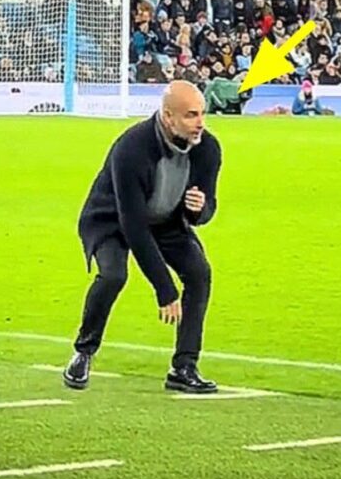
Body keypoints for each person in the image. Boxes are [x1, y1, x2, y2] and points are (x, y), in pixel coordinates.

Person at [64, 81, 222, 394]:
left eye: (202, 113)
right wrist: (164, 289)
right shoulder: (131, 148)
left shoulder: (208, 148)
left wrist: (198, 210)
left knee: (199, 273)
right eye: (191, 115)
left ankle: (184, 366)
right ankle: (83, 352)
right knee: (113, 275)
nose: (200, 122)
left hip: (165, 221)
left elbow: (206, 208)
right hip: (113, 219)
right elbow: (132, 224)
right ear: (168, 116)